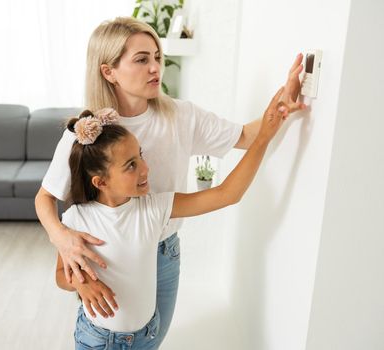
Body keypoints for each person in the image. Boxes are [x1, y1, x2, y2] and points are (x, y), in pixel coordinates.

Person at [35, 16, 305, 346]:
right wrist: (61, 236)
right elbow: (45, 198)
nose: (155, 68)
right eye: (141, 59)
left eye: (158, 57)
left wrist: (279, 110)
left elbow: (246, 137)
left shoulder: (181, 115)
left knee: (150, 338)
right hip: (109, 254)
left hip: (164, 251)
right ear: (109, 72)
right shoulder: (89, 134)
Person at [55, 93, 291, 349]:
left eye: (141, 156)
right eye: (131, 165)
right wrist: (81, 282)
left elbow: (227, 194)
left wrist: (264, 137)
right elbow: (60, 274)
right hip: (97, 341)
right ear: (101, 182)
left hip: (146, 335)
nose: (145, 168)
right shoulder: (76, 219)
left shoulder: (153, 208)